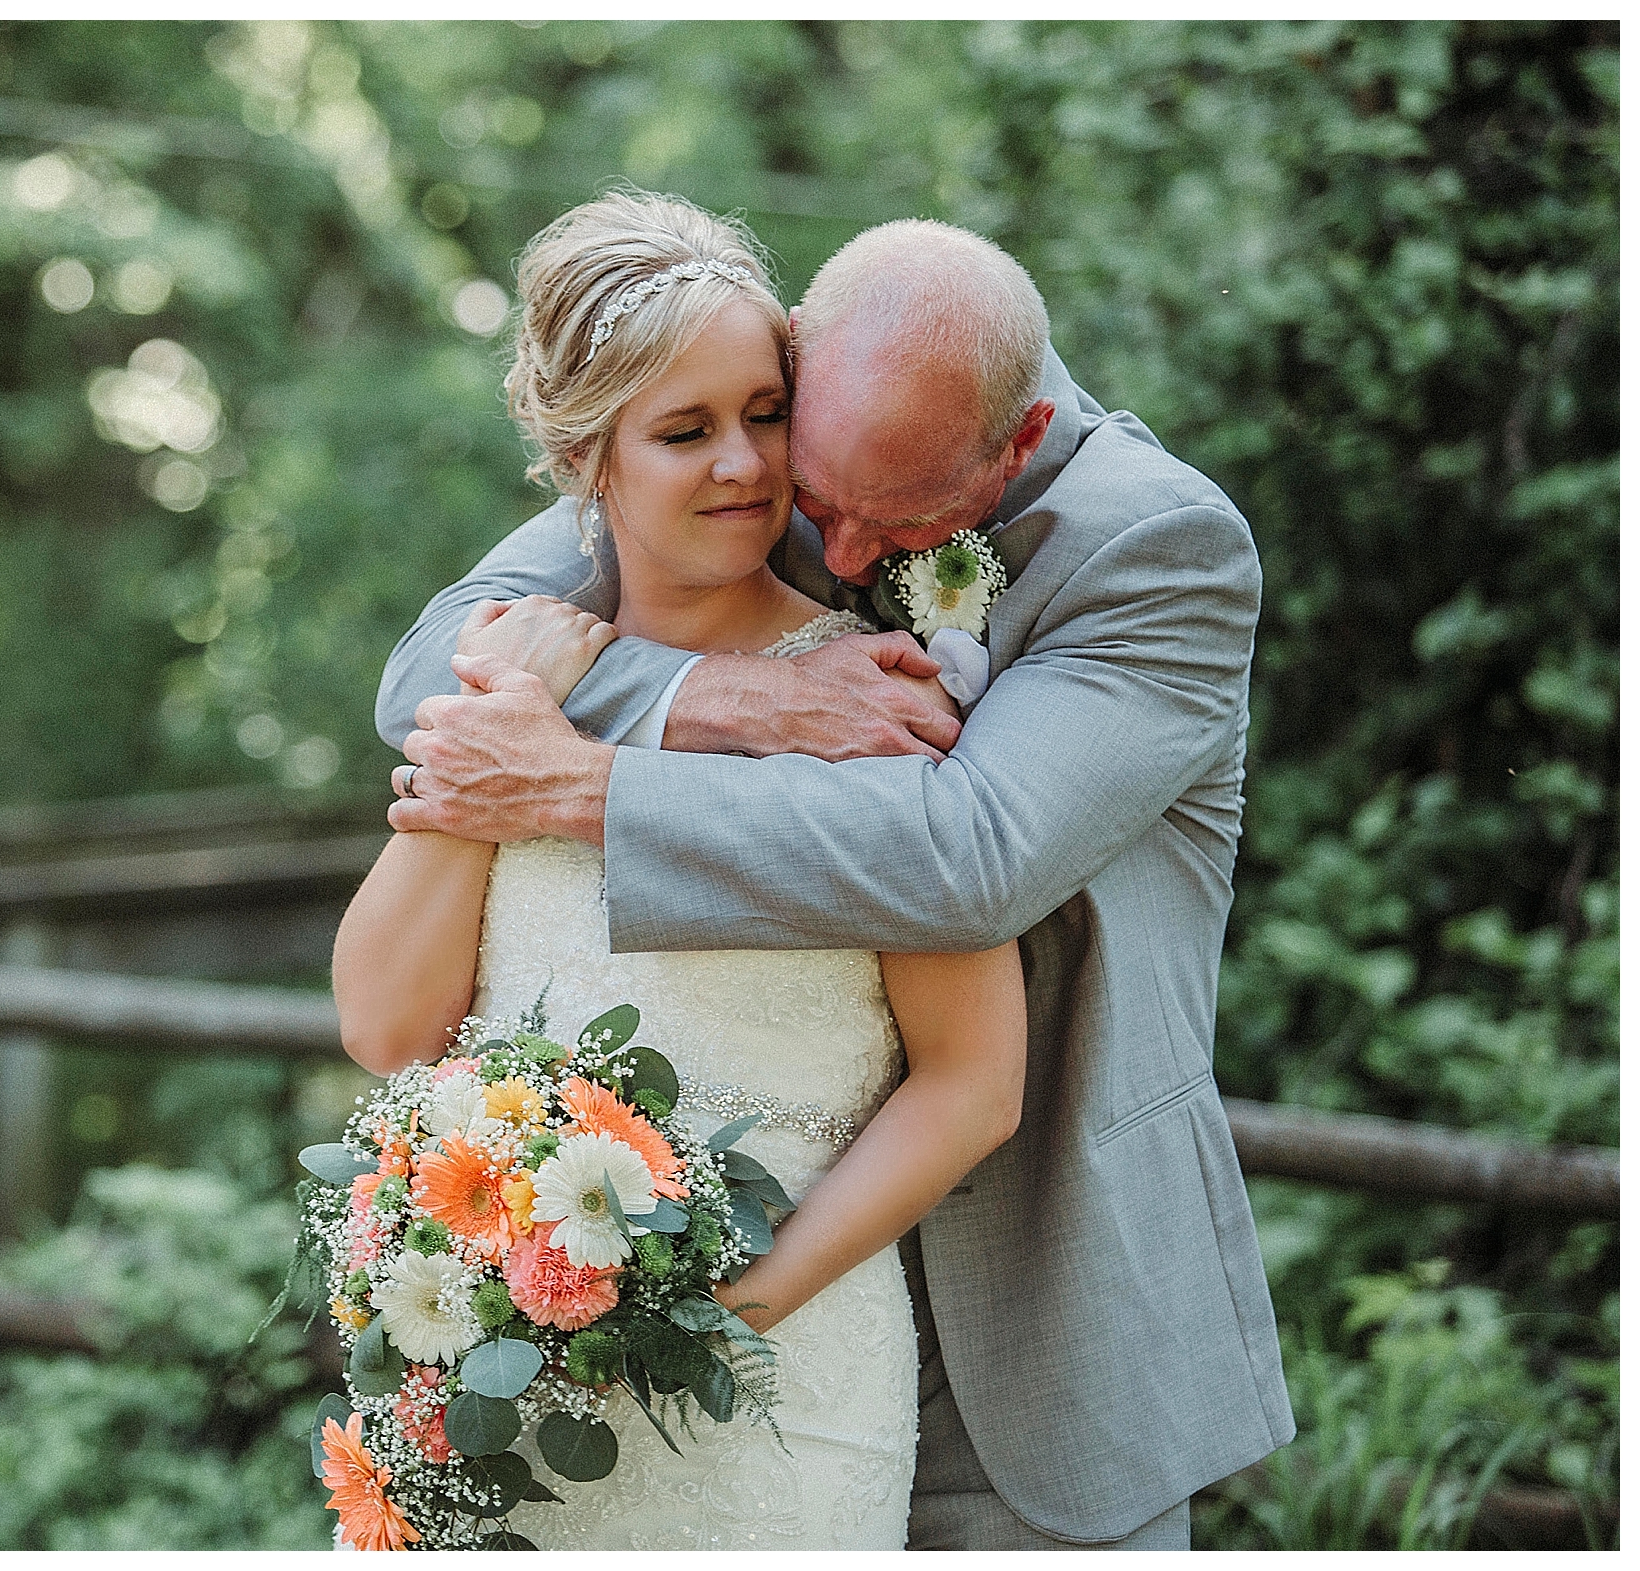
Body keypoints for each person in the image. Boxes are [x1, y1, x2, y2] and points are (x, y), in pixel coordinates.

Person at [378, 215, 1294, 1549]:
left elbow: (964, 860)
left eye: (902, 521)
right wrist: (725, 695)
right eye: (821, 502)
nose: (844, 556)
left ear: (1020, 444)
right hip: (700, 1283)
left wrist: (584, 787)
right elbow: (433, 673)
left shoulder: (1159, 549)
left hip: (1047, 1289)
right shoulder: (759, 451)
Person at [331, 191, 1028, 1550]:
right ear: (582, 456)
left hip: (783, 1395)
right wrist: (497, 737)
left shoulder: (869, 704)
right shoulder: (525, 679)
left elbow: (972, 1084)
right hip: (505, 1392)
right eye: (685, 431)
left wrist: (719, 1319)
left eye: (764, 414)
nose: (745, 466)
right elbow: (385, 1027)